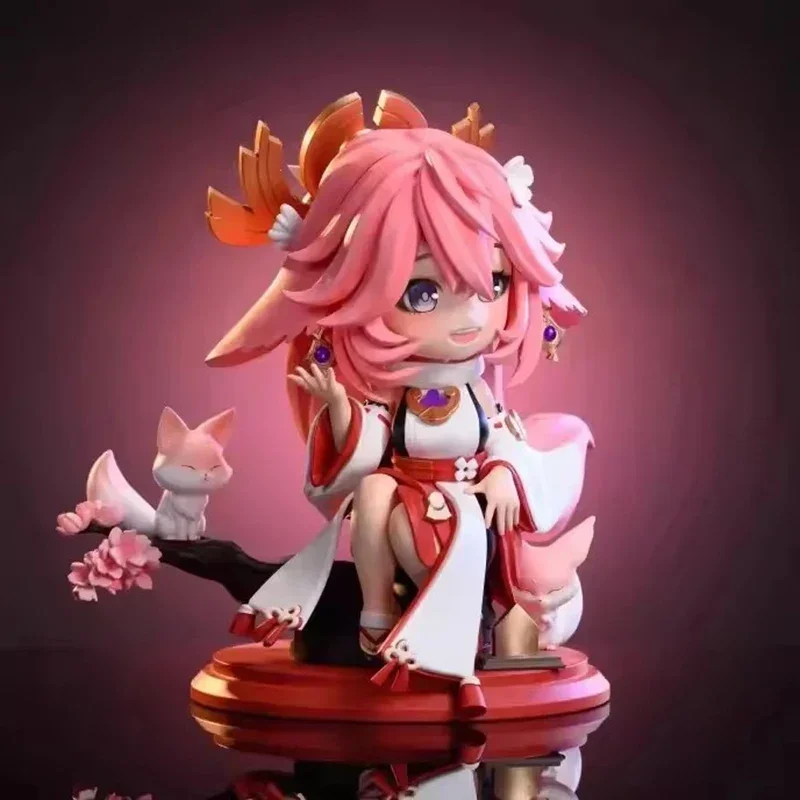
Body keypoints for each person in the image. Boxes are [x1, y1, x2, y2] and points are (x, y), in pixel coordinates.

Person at [207, 92, 595, 716]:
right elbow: (370, 444)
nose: (471, 318)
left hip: (470, 506)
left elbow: (502, 436)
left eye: (493, 283)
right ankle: (376, 611)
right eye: (421, 292)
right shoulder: (401, 402)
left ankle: (459, 640)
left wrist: (502, 473)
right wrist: (338, 410)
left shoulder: (478, 395)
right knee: (374, 491)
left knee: (444, 529)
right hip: (408, 497)